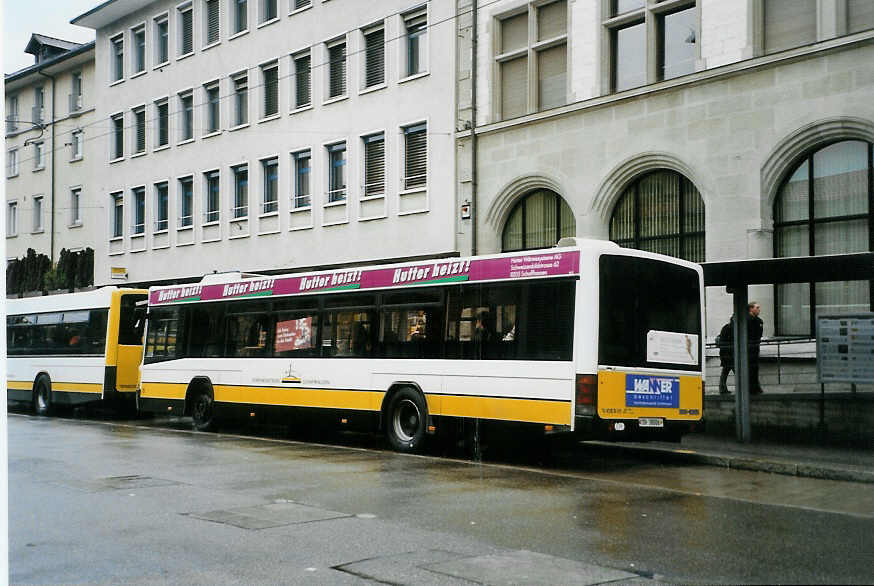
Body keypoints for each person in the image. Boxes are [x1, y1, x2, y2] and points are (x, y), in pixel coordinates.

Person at [717, 302, 765, 395]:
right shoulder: (749, 322)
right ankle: (747, 388)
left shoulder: (729, 327)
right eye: (757, 307)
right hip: (733, 351)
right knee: (738, 371)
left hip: (731, 352)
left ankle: (725, 388)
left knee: (728, 370)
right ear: (751, 309)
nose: (759, 310)